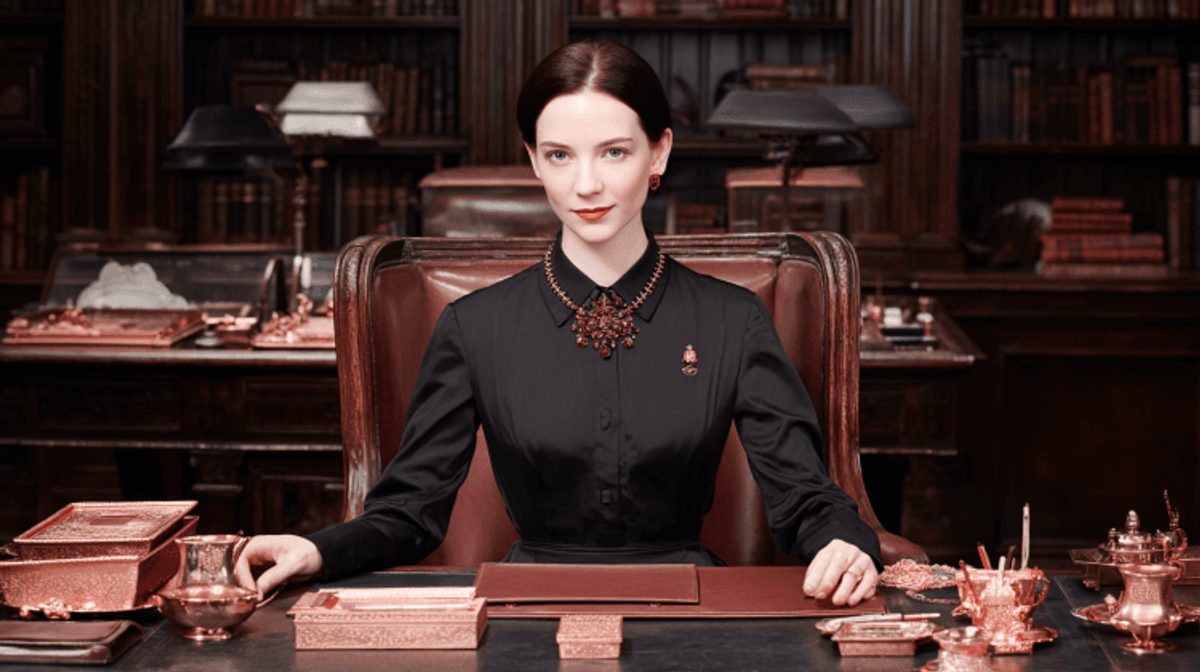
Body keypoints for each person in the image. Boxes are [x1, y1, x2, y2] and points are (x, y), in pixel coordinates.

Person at [236, 39, 882, 607]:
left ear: (659, 153)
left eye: (614, 152)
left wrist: (845, 545)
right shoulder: (474, 327)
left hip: (690, 607)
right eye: (560, 155)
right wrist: (316, 549)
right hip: (524, 610)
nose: (586, 184)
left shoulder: (732, 320)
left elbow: (804, 495)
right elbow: (410, 511)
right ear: (535, 160)